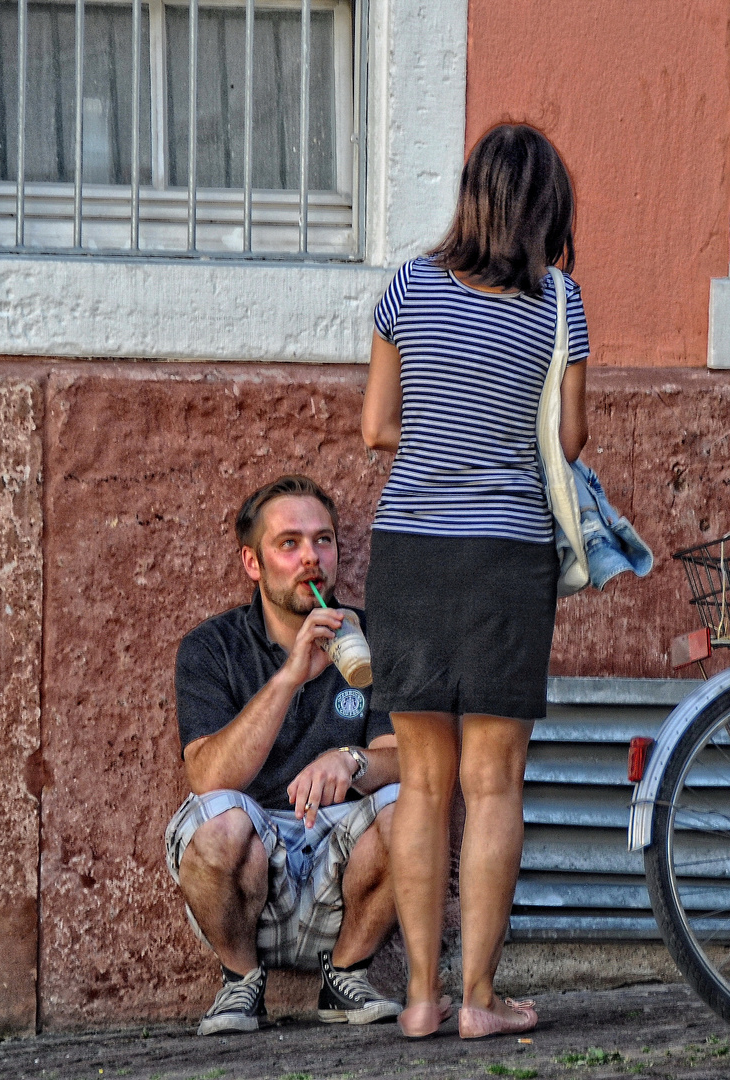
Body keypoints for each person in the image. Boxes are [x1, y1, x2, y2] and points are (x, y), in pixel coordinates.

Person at [360, 123, 589, 1040]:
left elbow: (378, 427)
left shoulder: (408, 287)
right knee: (494, 783)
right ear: (545, 211)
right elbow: (567, 446)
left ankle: (417, 997)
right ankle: (478, 1001)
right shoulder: (559, 303)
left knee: (423, 782)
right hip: (505, 556)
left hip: (411, 552)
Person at [165, 475, 404, 1036]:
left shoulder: (374, 639)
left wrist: (351, 760)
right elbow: (208, 777)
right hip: (251, 880)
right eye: (289, 543)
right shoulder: (210, 648)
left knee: (412, 805)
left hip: (341, 864)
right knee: (216, 818)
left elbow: (407, 760)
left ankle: (345, 973)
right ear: (253, 563)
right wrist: (292, 674)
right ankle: (241, 982)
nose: (311, 559)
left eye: (323, 541)